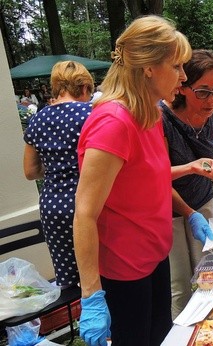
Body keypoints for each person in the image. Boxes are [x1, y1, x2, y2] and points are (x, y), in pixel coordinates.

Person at [73, 15, 191, 346]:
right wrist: (91, 294)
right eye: (177, 65)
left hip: (153, 257)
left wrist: (190, 213)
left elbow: (148, 180)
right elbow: (84, 213)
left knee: (161, 335)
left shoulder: (150, 113)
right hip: (124, 270)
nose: (183, 76)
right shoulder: (113, 122)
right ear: (150, 67)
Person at [160, 49, 213, 319]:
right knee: (179, 283)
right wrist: (188, 212)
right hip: (169, 209)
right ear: (183, 87)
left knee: (210, 271)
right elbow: (156, 176)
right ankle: (185, 332)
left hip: (204, 200)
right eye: (202, 92)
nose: (211, 100)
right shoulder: (162, 119)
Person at [23, 61, 94, 288]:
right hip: (89, 204)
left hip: (53, 208)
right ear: (84, 87)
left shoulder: (38, 119)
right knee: (100, 277)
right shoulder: (91, 113)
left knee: (72, 284)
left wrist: (56, 168)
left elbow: (30, 171)